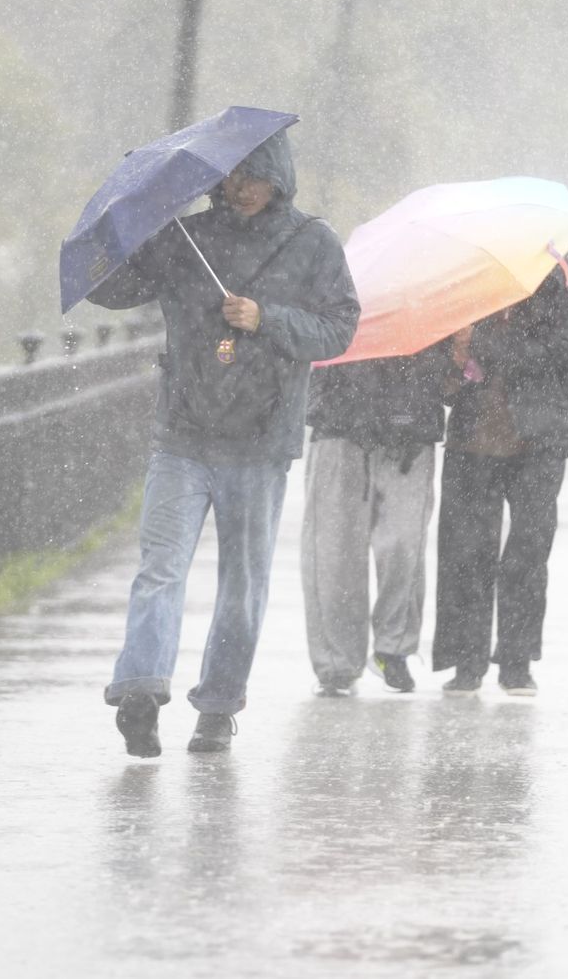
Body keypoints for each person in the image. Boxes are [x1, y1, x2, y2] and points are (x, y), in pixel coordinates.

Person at [87, 129, 359, 757]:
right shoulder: (185, 238)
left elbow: (340, 328)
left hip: (261, 444)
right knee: (160, 569)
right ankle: (139, 691)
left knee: (242, 584)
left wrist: (268, 319)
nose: (241, 190)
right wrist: (118, 234)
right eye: (233, 179)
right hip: (181, 435)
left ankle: (217, 705)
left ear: (278, 178)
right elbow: (112, 292)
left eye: (254, 178)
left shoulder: (313, 244)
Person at [433, 263, 568, 697]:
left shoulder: (564, 288)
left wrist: (482, 344)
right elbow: (445, 379)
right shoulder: (468, 290)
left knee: (527, 552)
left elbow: (559, 351)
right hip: (473, 440)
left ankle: (516, 662)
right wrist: (457, 355)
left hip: (537, 441)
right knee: (466, 552)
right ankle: (467, 662)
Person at [301, 350, 445, 695]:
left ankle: (393, 647)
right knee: (335, 553)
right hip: (339, 422)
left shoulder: (431, 299)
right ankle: (337, 663)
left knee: (404, 543)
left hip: (411, 428)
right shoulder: (333, 297)